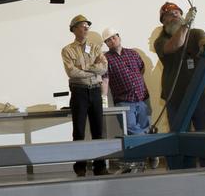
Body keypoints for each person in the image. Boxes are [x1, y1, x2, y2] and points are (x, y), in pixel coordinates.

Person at [153, 2, 205, 165]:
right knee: (179, 136)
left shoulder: (196, 33)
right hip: (176, 97)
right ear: (163, 21)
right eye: (169, 15)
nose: (174, 16)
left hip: (200, 95)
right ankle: (182, 171)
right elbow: (175, 44)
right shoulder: (160, 41)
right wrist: (185, 25)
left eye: (176, 13)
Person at [61, 14, 107, 177]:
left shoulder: (95, 47)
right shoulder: (67, 50)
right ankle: (80, 165)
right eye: (82, 25)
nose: (86, 27)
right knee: (78, 131)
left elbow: (103, 68)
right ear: (74, 29)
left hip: (95, 91)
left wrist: (85, 69)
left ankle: (100, 165)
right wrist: (92, 69)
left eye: (88, 25)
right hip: (79, 92)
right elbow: (71, 72)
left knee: (98, 131)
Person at [101, 26, 150, 135]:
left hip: (142, 99)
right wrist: (102, 98)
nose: (112, 41)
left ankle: (145, 147)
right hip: (124, 102)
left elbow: (142, 68)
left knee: (146, 128)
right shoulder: (105, 59)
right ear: (106, 43)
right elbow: (105, 79)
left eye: (114, 37)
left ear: (119, 37)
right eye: (108, 40)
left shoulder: (133, 53)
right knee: (131, 130)